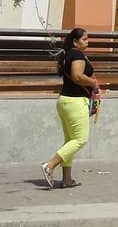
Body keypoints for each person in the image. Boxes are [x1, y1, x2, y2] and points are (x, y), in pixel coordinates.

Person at [41, 27, 99, 188]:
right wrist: (93, 83)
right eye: (84, 40)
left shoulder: (68, 55)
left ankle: (67, 179)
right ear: (75, 42)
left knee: (70, 140)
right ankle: (50, 165)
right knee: (81, 139)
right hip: (75, 102)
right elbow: (77, 76)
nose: (87, 42)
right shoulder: (77, 55)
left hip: (65, 101)